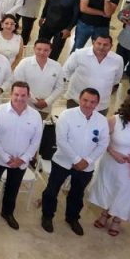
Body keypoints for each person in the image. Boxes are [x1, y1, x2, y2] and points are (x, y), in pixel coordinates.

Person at [40, 88, 108, 236]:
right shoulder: (67, 115)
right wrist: (76, 160)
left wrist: (87, 161)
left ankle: (72, 218)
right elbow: (61, 140)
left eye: (92, 102)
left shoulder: (102, 120)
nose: (88, 104)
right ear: (79, 99)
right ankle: (47, 216)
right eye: (85, 100)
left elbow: (103, 144)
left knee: (77, 194)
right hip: (62, 162)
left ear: (97, 103)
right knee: (52, 191)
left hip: (86, 166)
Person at [0, 82, 43, 230]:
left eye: (23, 95)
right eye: (16, 94)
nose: (19, 98)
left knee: (13, 188)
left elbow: (36, 140)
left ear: (28, 96)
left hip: (20, 161)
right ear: (11, 94)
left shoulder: (35, 116)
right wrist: (5, 157)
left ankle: (7, 213)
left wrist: (23, 159)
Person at [88, 95, 130, 237]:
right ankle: (105, 213)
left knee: (125, 192)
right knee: (109, 188)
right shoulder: (114, 121)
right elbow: (101, 139)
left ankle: (117, 220)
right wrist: (113, 152)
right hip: (110, 162)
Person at [63, 35, 124, 114]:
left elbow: (116, 80)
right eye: (99, 43)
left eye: (105, 45)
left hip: (101, 105)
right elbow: (65, 72)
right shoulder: (79, 54)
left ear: (111, 46)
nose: (101, 47)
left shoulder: (118, 60)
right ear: (93, 42)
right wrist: (66, 90)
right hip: (76, 101)